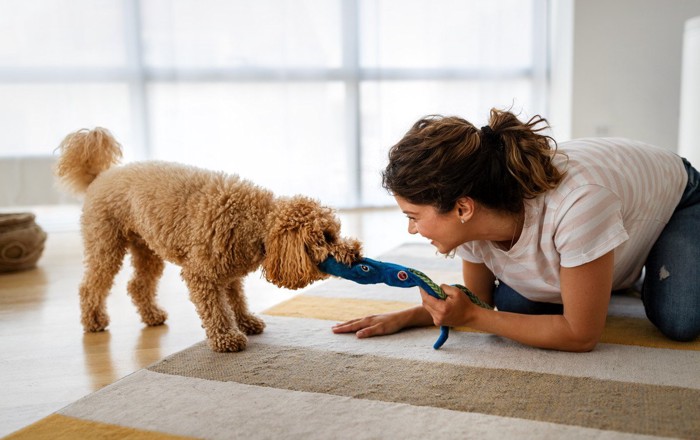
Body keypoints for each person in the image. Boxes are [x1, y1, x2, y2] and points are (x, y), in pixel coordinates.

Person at [332, 109, 700, 352]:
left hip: (679, 198)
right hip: (618, 201)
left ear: (462, 207)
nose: (412, 230)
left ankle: (634, 267)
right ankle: (608, 267)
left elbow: (582, 334)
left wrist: (475, 318)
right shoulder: (473, 216)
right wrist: (409, 317)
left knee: (680, 318)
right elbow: (478, 298)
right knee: (513, 305)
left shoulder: (578, 203)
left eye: (413, 216)